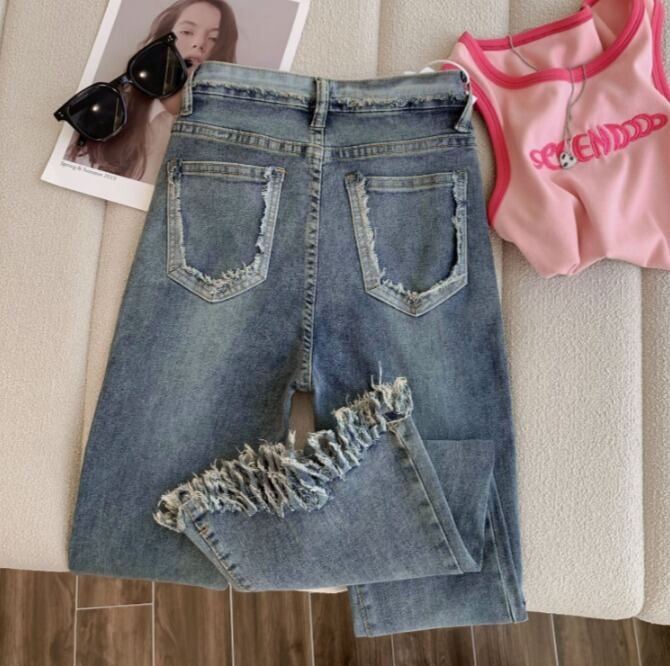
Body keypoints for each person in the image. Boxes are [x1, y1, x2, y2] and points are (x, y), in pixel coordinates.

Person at [65, 0, 238, 183]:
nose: (198, 43)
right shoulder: (109, 109)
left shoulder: (222, 131)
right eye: (187, 32)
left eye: (214, 38)